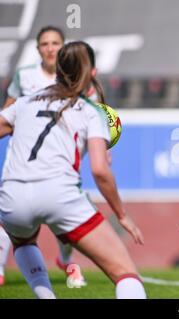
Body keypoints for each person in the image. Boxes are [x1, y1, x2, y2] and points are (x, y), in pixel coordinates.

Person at [0, 41, 146, 299]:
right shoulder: (91, 112)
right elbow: (100, 171)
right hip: (59, 193)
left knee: (22, 241)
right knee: (125, 273)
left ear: (58, 69)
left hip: (13, 196)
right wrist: (121, 215)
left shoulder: (24, 102)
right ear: (92, 72)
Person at [0, 26, 90, 288]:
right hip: (23, 158)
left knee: (64, 216)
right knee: (8, 214)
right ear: (38, 48)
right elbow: (8, 113)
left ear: (64, 46)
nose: (50, 48)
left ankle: (67, 262)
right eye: (44, 44)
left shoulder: (72, 78)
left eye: (55, 43)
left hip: (59, 158)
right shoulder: (25, 76)